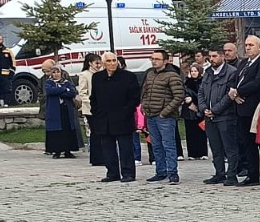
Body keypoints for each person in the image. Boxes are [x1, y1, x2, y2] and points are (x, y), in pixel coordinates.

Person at [89, 53, 141, 182]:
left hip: (123, 118)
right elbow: (93, 97)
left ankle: (128, 173)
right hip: (104, 119)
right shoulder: (97, 77)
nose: (112, 63)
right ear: (103, 63)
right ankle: (112, 173)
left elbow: (134, 97)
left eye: (114, 60)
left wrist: (126, 111)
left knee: (125, 148)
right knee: (107, 148)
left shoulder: (128, 77)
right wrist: (96, 112)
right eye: (109, 61)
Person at [139, 49, 186, 184]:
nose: (154, 61)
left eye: (157, 59)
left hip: (165, 116)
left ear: (165, 61)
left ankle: (173, 173)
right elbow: (145, 91)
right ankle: (160, 171)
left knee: (168, 145)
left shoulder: (172, 75)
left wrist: (165, 112)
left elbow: (179, 96)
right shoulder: (150, 74)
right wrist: (144, 104)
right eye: (152, 58)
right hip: (151, 115)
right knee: (156, 145)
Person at [231, 36, 260, 186]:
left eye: (251, 45)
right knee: (248, 145)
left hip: (256, 108)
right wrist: (233, 93)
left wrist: (238, 92)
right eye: (246, 45)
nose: (247, 48)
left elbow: (259, 82)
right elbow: (234, 80)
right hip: (241, 109)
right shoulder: (243, 63)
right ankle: (252, 175)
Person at [198, 47, 241, 186]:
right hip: (209, 117)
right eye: (210, 56)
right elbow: (201, 92)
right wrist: (204, 108)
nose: (212, 59)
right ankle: (219, 173)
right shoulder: (208, 72)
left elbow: (229, 96)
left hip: (225, 116)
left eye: (215, 56)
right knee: (215, 147)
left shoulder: (231, 72)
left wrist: (215, 110)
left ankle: (232, 174)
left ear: (222, 57)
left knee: (229, 148)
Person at [42, 65, 80, 158]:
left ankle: (68, 151)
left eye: (58, 72)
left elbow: (72, 92)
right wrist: (63, 89)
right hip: (54, 110)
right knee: (56, 131)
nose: (56, 74)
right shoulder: (49, 83)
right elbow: (50, 91)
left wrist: (61, 91)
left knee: (67, 130)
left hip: (66, 109)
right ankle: (57, 151)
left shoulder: (67, 82)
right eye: (54, 72)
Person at [181, 62, 208, 160]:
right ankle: (192, 153)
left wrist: (193, 100)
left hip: (200, 109)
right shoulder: (186, 83)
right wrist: (187, 99)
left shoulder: (203, 82)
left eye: (195, 71)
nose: (193, 73)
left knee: (201, 132)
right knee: (190, 133)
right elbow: (182, 93)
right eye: (192, 71)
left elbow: (203, 96)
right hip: (189, 111)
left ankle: (203, 152)